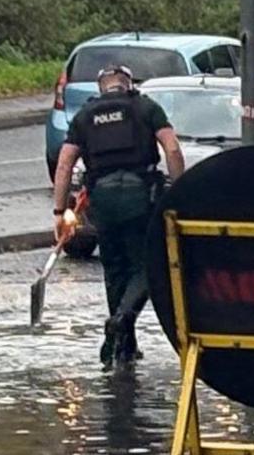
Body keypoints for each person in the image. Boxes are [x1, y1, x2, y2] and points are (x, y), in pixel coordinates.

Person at [50, 62, 187, 368]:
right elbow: (173, 149)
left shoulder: (85, 115)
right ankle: (122, 318)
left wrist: (60, 212)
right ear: (128, 83)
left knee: (114, 270)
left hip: (103, 203)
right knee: (149, 266)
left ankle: (123, 345)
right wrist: (180, 191)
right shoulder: (145, 107)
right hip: (141, 198)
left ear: (102, 87)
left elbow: (64, 164)